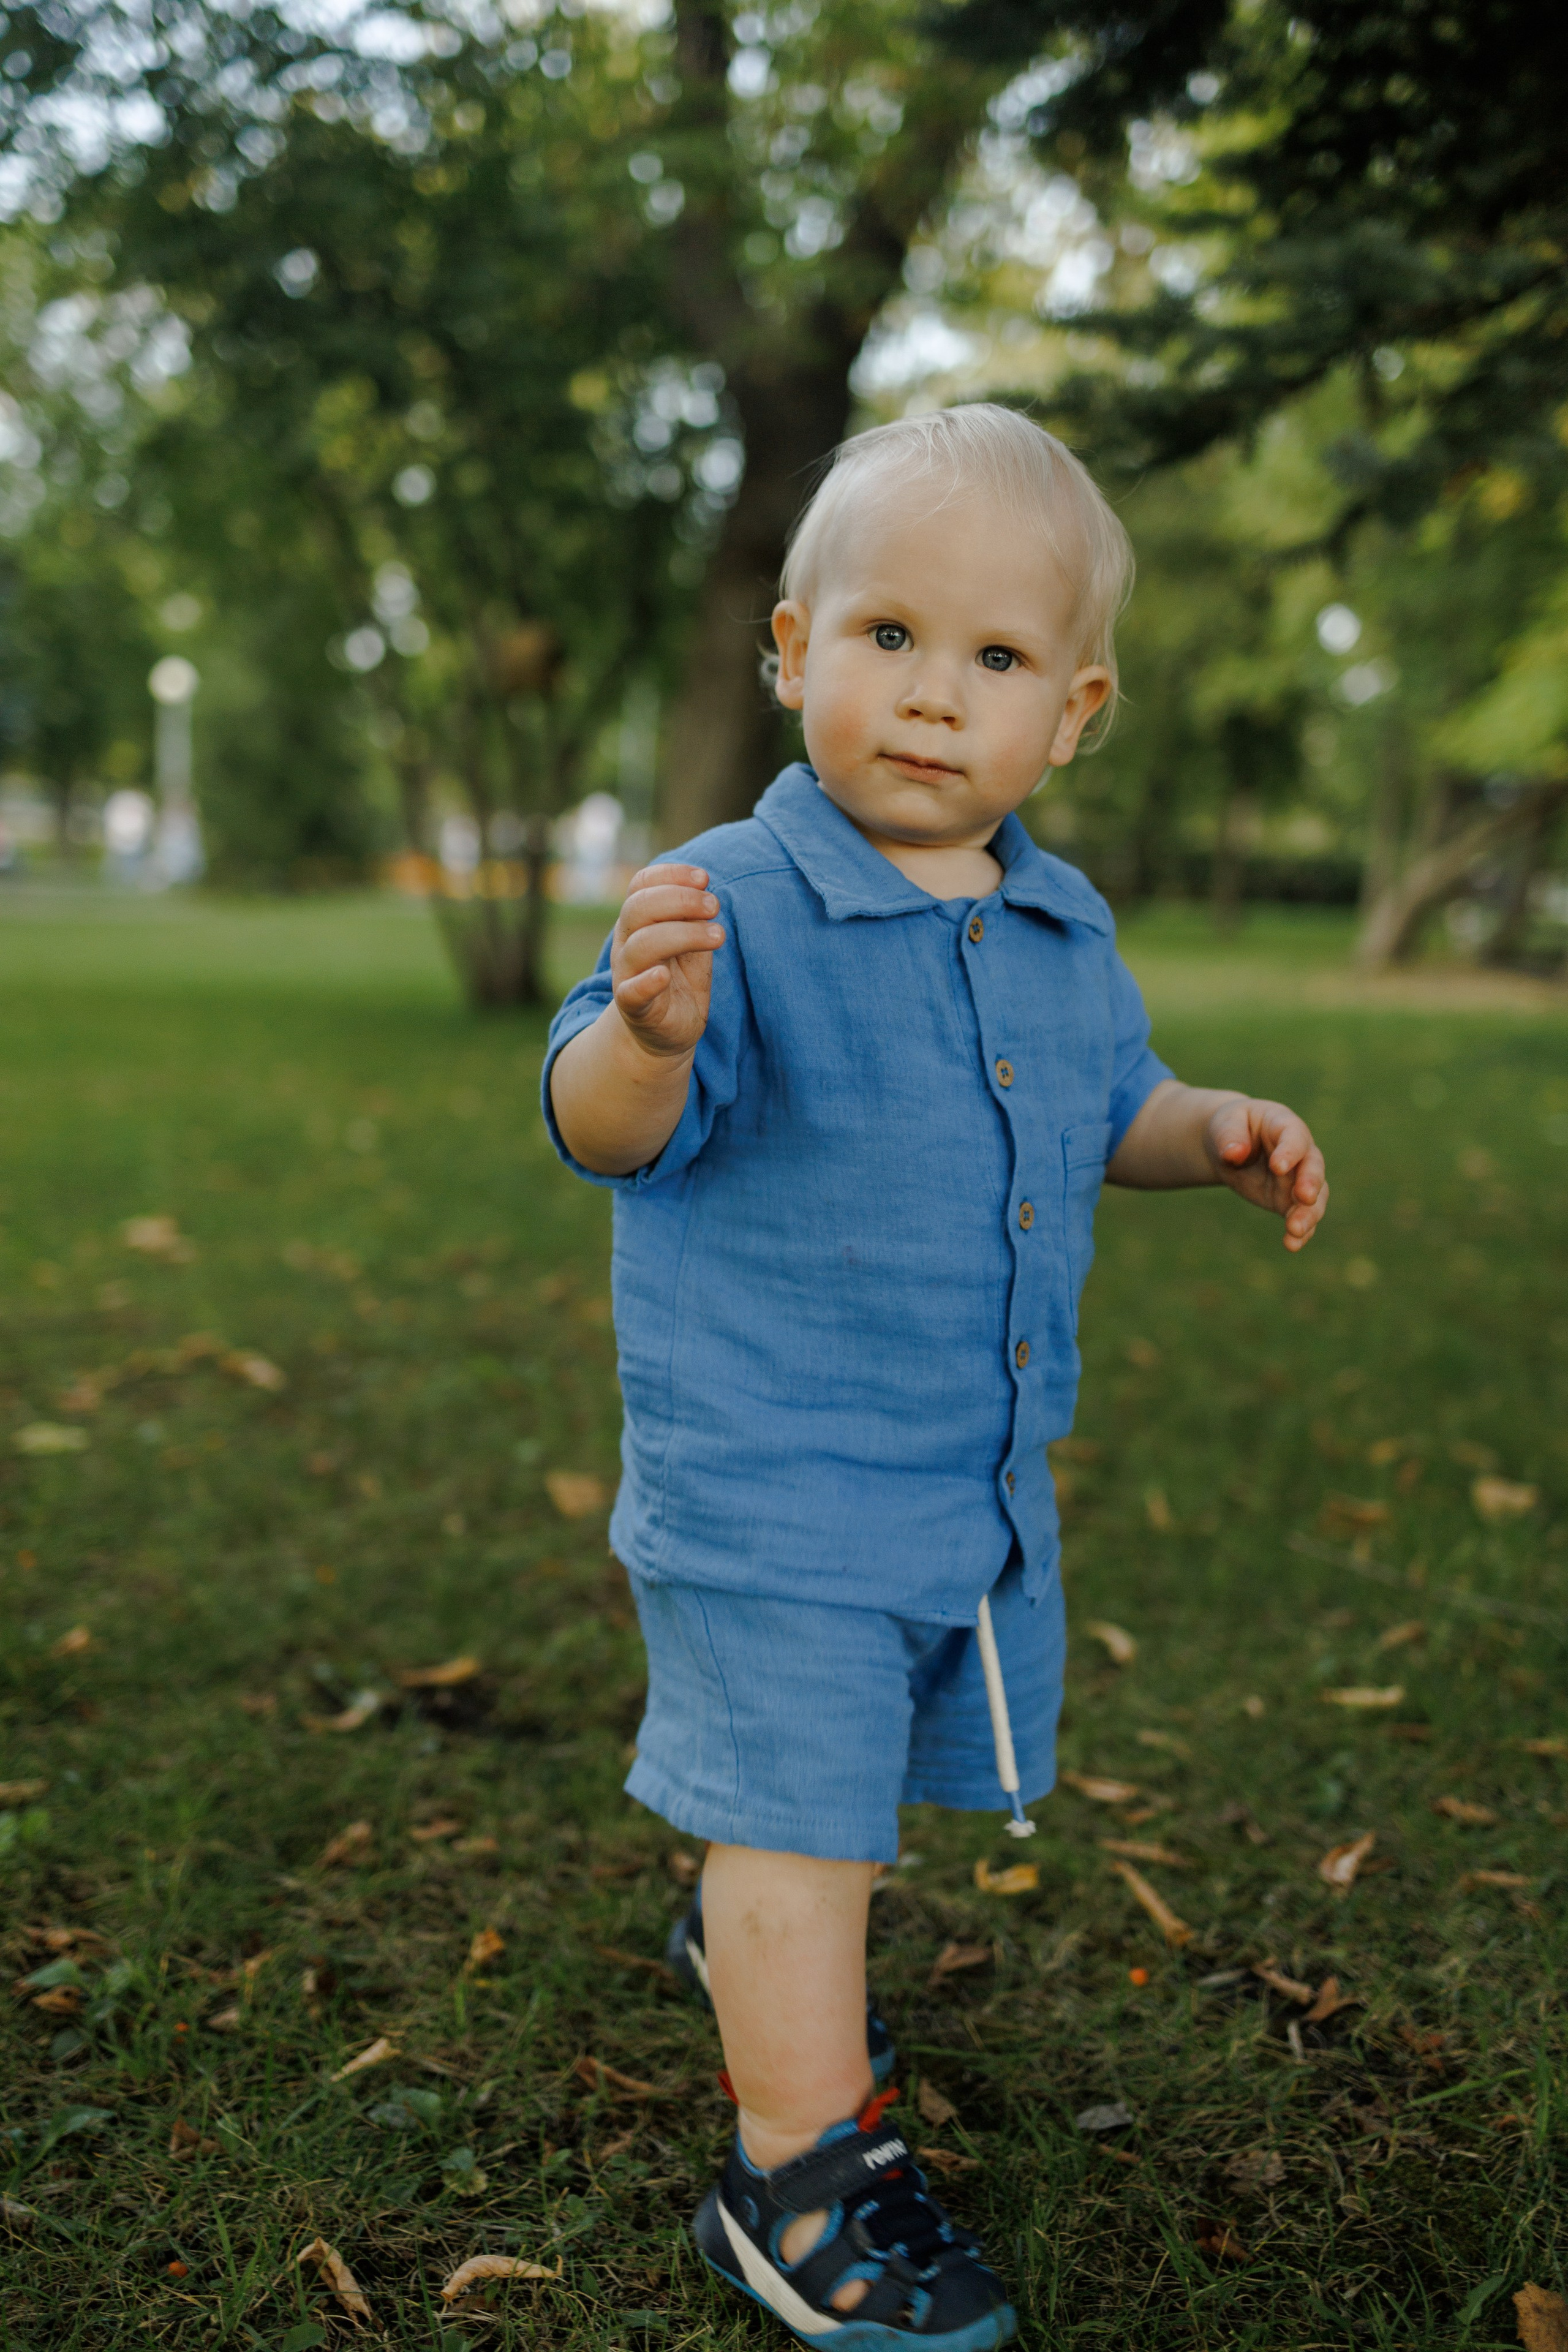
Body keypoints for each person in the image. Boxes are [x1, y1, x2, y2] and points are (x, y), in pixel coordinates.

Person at [543, 404, 1329, 2352]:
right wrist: (647, 1038)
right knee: (814, 1822)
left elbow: (1103, 1108)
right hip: (773, 1490)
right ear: (794, 650)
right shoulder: (727, 900)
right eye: (887, 636)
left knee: (841, 1786)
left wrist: (1204, 1125)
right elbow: (603, 1127)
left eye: (992, 661)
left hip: (957, 1487)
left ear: (1071, 715)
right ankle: (794, 2174)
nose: (930, 695)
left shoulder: (1061, 930)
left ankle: (747, 1924)